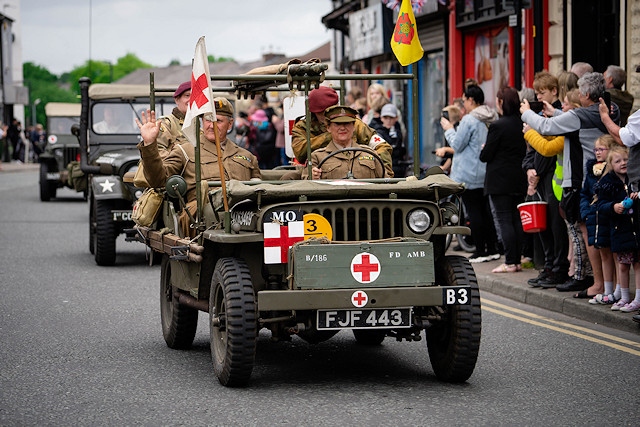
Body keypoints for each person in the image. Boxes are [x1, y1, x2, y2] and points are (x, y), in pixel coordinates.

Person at [521, 72, 620, 287]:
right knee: (601, 235)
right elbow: (569, 121)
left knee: (588, 234)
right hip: (604, 175)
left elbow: (546, 128)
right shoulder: (609, 110)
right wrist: (555, 111)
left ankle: (593, 282)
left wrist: (527, 113)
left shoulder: (581, 116)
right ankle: (606, 286)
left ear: (585, 94)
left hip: (584, 180)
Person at [136, 97, 261, 237]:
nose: (211, 125)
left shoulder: (247, 156)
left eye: (218, 121)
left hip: (244, 218)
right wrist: (149, 145)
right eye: (207, 120)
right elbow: (158, 180)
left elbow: (259, 192)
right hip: (201, 222)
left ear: (230, 124)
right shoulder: (186, 151)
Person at [438, 84, 499, 263]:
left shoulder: (469, 120)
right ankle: (493, 248)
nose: (463, 104)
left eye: (464, 100)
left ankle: (481, 250)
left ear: (471, 100)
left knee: (475, 213)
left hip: (468, 173)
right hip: (484, 171)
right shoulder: (491, 115)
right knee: (486, 211)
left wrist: (449, 128)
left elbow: (457, 145)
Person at [290, 85, 394, 177]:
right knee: (289, 178)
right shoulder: (303, 127)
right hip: (320, 170)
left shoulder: (354, 124)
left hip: (355, 168)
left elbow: (381, 146)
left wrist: (386, 175)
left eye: (332, 110)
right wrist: (333, 134)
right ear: (313, 112)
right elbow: (301, 153)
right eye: (323, 113)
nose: (328, 115)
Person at [479, 87, 527, 273]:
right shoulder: (521, 123)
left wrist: (485, 147)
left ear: (500, 102)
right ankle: (517, 261)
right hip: (518, 178)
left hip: (499, 180)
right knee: (516, 220)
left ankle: (509, 262)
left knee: (504, 220)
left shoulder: (498, 126)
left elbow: (485, 155)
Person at [594, 145, 640, 312]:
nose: (623, 163)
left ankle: (637, 300)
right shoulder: (607, 183)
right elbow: (601, 205)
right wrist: (613, 207)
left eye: (626, 159)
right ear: (610, 164)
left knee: (637, 264)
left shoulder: (634, 178)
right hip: (620, 230)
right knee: (623, 265)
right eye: (618, 161)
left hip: (635, 228)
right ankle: (624, 297)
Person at [582, 135, 618, 304]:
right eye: (595, 149)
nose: (597, 152)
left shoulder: (612, 172)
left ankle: (618, 290)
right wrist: (586, 212)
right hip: (595, 218)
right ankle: (606, 289)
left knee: (617, 256)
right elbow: (585, 194)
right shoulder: (591, 171)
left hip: (608, 218)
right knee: (604, 255)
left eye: (601, 149)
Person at [308, 106, 384, 180]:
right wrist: (312, 177)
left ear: (354, 126)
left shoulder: (370, 154)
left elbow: (386, 182)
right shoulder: (317, 157)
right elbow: (306, 185)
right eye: (337, 124)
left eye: (347, 123)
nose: (342, 128)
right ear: (328, 128)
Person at [155, 81, 191, 155]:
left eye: (195, 96)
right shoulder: (166, 123)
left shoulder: (202, 125)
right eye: (187, 95)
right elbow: (157, 152)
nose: (191, 100)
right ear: (177, 100)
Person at [370, 103, 405, 177]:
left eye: (391, 118)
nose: (388, 121)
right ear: (381, 118)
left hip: (398, 169)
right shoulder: (377, 132)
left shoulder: (398, 131)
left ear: (396, 118)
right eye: (386, 118)